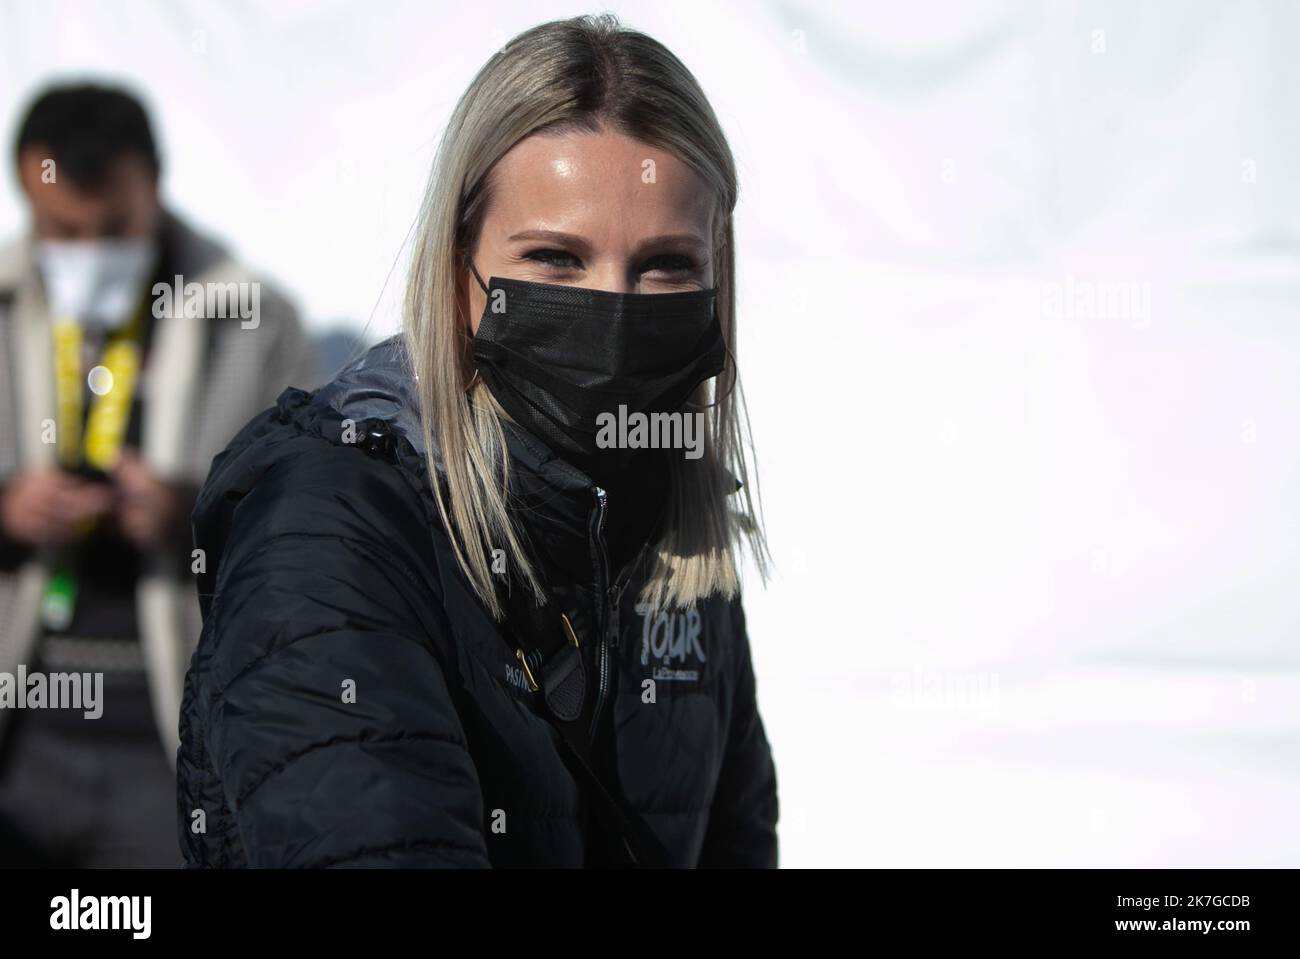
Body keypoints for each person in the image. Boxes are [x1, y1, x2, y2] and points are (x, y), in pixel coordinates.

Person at [177, 13, 778, 868]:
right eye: (555, 259)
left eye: (666, 265)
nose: (614, 308)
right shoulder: (331, 531)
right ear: (458, 269)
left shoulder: (675, 541)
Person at [0, 83, 318, 866]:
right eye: (61, 231)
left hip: (173, 745)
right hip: (18, 742)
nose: (87, 252)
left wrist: (194, 513)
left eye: (113, 228)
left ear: (156, 184)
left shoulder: (255, 319)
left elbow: (316, 514)